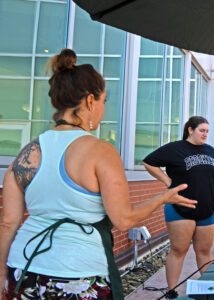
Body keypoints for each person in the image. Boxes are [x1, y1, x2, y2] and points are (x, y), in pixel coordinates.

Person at [0, 49, 196, 300]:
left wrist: (2, 275)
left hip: (23, 270)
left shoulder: (26, 153)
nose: (104, 108)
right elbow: (124, 219)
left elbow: (8, 224)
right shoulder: (100, 151)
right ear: (91, 101)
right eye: (104, 101)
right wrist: (163, 198)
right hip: (78, 274)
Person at [143, 116, 214, 298]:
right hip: (180, 206)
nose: (205, 134)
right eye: (202, 130)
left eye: (207, 131)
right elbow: (148, 162)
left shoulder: (210, 151)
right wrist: (168, 181)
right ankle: (172, 292)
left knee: (204, 251)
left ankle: (211, 291)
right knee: (179, 250)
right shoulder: (175, 148)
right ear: (190, 129)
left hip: (208, 207)